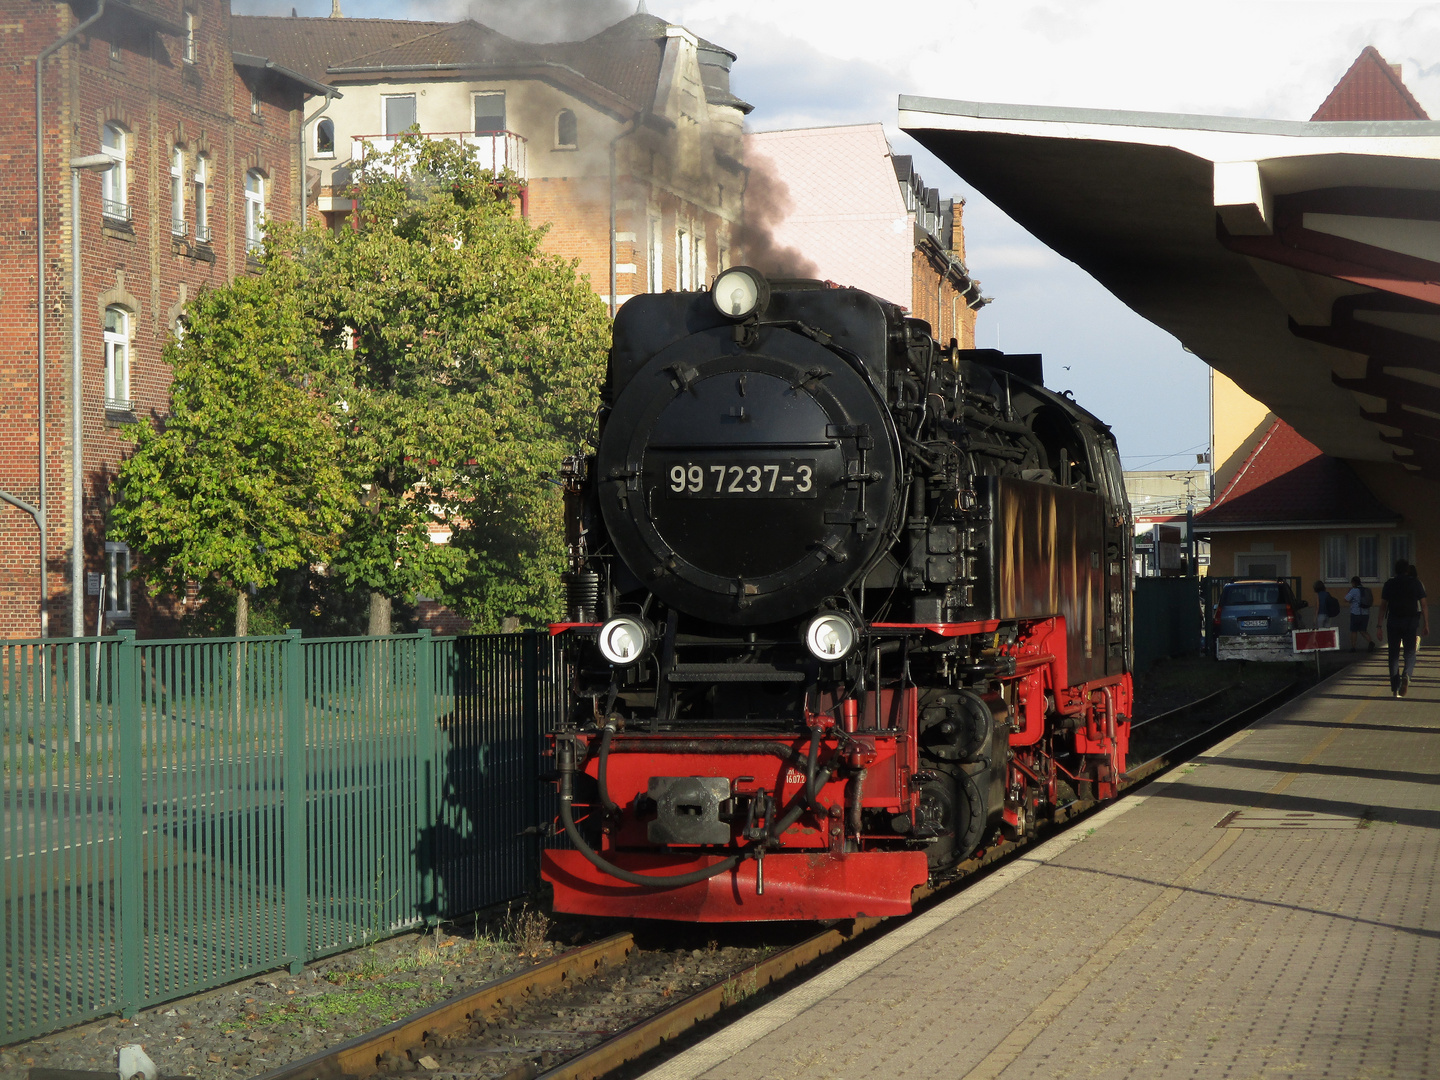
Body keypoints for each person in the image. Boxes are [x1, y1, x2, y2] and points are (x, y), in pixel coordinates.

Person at [1378, 559, 1429, 697]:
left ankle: (1395, 688)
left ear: (1395, 570)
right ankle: (1407, 674)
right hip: (1411, 621)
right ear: (1407, 570)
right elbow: (1423, 604)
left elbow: (1383, 606)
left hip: (1393, 621)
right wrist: (1426, 624)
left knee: (1393, 655)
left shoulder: (1389, 584)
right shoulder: (1416, 583)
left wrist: (1379, 626)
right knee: (1410, 652)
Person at [1343, 575, 1375, 651]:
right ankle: (1370, 641)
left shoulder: (1353, 590)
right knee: (1363, 630)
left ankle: (1353, 647)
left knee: (1354, 631)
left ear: (1353, 583)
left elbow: (1346, 599)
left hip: (1355, 613)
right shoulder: (1366, 590)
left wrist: (1349, 592)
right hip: (1365, 613)